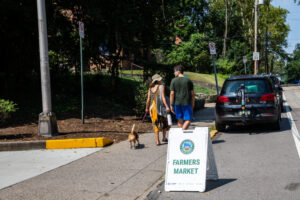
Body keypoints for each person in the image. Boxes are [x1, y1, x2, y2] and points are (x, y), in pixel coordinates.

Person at [145, 74, 170, 146]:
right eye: (160, 79)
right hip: (160, 107)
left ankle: (157, 141)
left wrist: (146, 108)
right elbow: (163, 98)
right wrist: (167, 106)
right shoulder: (161, 87)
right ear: (158, 80)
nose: (161, 80)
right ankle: (164, 137)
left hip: (152, 108)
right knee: (164, 121)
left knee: (155, 123)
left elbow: (148, 99)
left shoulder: (150, 88)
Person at [170, 65, 195, 130]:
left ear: (178, 71)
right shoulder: (188, 81)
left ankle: (180, 136)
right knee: (188, 120)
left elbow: (172, 93)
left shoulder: (173, 80)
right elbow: (192, 94)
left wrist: (171, 105)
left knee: (179, 121)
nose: (174, 73)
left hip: (177, 103)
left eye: (174, 72)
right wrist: (193, 103)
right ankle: (182, 133)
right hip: (186, 103)